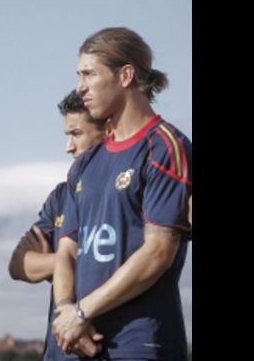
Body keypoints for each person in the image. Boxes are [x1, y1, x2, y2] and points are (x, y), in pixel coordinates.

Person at [52, 27, 192, 359]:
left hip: (141, 342)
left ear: (125, 75)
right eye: (78, 75)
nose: (80, 86)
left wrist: (82, 312)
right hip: (84, 341)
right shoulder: (86, 163)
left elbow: (158, 253)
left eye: (89, 74)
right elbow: (67, 252)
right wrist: (66, 313)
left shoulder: (165, 147)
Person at [8, 90, 107, 360]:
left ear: (106, 131)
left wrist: (57, 261)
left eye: (77, 134)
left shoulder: (130, 189)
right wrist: (66, 260)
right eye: (67, 136)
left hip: (107, 342)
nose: (69, 147)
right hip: (59, 351)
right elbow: (18, 264)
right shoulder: (61, 196)